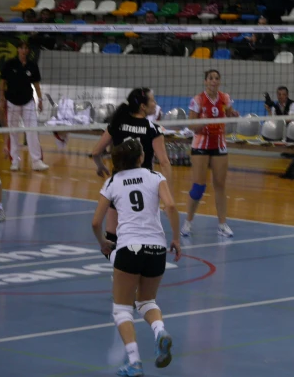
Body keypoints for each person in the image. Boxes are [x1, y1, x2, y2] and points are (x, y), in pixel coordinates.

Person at [91, 139, 181, 377]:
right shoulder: (155, 177)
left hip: (129, 248)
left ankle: (134, 362)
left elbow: (96, 222)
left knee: (122, 309)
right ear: (141, 158)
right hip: (157, 250)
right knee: (146, 301)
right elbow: (170, 206)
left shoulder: (112, 182)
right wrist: (176, 239)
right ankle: (160, 331)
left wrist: (102, 243)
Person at [92, 88, 171, 259]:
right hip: (145, 188)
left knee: (112, 236)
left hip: (119, 186)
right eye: (152, 100)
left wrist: (100, 167)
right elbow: (164, 162)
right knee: (143, 235)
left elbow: (96, 152)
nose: (155, 103)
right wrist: (167, 195)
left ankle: (119, 270)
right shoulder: (153, 129)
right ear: (143, 106)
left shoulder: (117, 123)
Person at [181, 70, 238, 238]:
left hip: (219, 145)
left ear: (219, 81)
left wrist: (233, 114)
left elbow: (228, 113)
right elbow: (191, 125)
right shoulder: (198, 100)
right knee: (199, 186)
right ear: (205, 81)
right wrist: (203, 123)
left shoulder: (225, 98)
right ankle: (188, 223)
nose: (214, 81)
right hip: (201, 145)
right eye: (211, 78)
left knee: (220, 185)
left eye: (216, 78)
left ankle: (222, 224)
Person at [0, 40, 48, 172]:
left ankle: (36, 161)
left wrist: (40, 100)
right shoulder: (10, 64)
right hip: (12, 102)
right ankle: (14, 161)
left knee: (32, 131)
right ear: (18, 49)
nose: (24, 51)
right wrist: (1, 97)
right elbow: (2, 82)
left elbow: (36, 84)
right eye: (22, 48)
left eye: (26, 48)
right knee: (13, 132)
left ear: (28, 51)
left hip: (28, 102)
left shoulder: (32, 65)